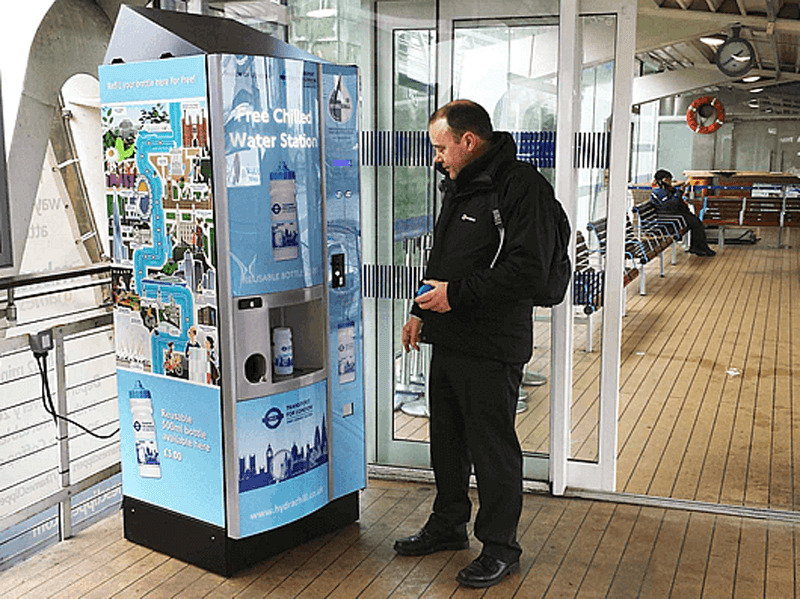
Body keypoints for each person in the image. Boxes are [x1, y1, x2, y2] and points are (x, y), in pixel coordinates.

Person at [394, 100, 561, 589]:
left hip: (492, 344)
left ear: (469, 141)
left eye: (442, 147)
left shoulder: (520, 187)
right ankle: (448, 525)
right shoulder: (461, 185)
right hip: (450, 338)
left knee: (492, 451)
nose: (437, 158)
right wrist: (420, 308)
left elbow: (529, 270)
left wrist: (456, 295)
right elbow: (445, 255)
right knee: (447, 443)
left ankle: (500, 547)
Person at [650, 169, 715, 256]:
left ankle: (700, 247)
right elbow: (670, 204)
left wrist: (681, 190)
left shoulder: (666, 189)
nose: (671, 182)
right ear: (665, 180)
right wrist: (680, 191)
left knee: (696, 222)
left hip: (674, 215)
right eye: (669, 179)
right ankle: (698, 248)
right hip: (668, 217)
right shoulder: (658, 192)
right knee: (695, 223)